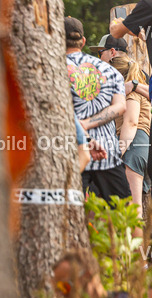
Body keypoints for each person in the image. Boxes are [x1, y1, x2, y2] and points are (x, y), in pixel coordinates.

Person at [66, 17, 129, 202]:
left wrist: (81, 125)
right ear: (83, 41)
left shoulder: (55, 70)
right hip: (108, 154)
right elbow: (120, 107)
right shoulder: (110, 70)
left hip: (73, 154)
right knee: (127, 215)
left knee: (70, 215)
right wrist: (88, 123)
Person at [99, 36, 152, 214]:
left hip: (132, 144)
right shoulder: (130, 89)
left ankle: (136, 242)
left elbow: (131, 122)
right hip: (132, 145)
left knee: (132, 208)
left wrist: (118, 153)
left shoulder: (131, 93)